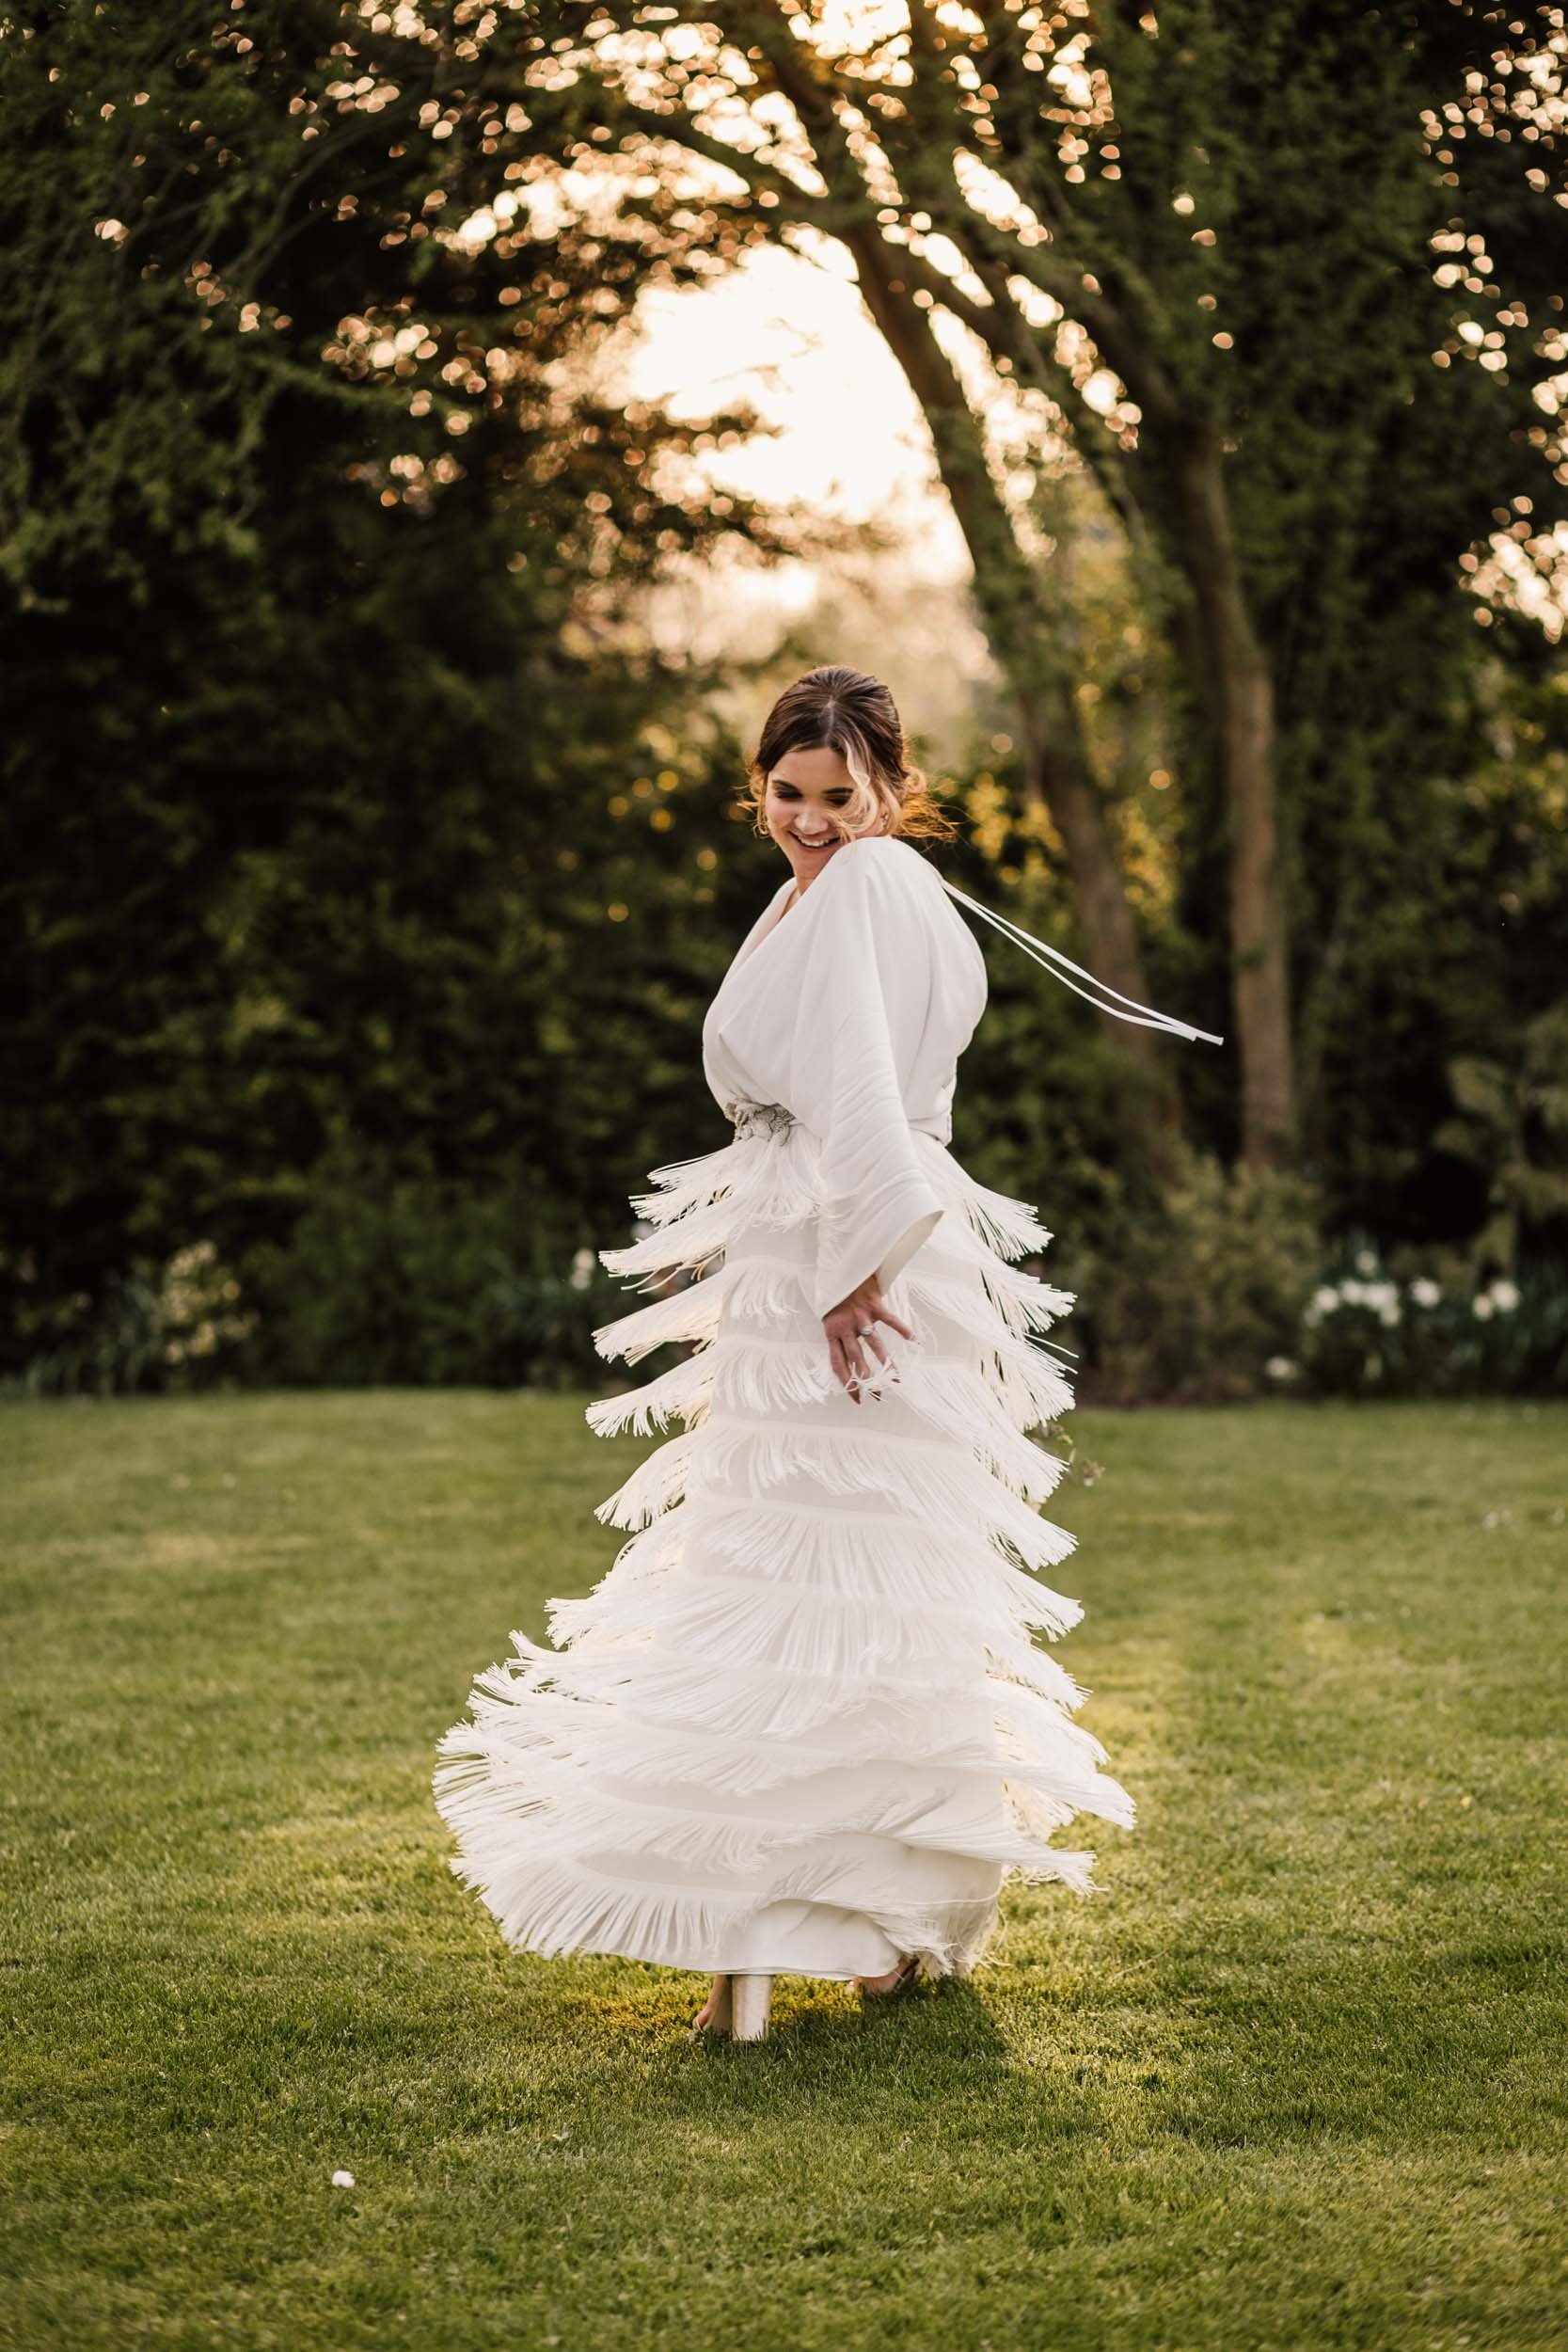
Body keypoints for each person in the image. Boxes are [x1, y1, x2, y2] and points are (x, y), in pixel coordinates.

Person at [434, 664, 1217, 2042]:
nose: (805, 819)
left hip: (858, 1255)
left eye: (834, 796)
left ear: (892, 787)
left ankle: (797, 1935)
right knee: (839, 1577)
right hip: (836, 1241)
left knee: (824, 1575)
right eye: (784, 795)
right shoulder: (846, 890)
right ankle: (864, 1925)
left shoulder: (862, 886)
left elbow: (856, 1076)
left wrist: (857, 1271)